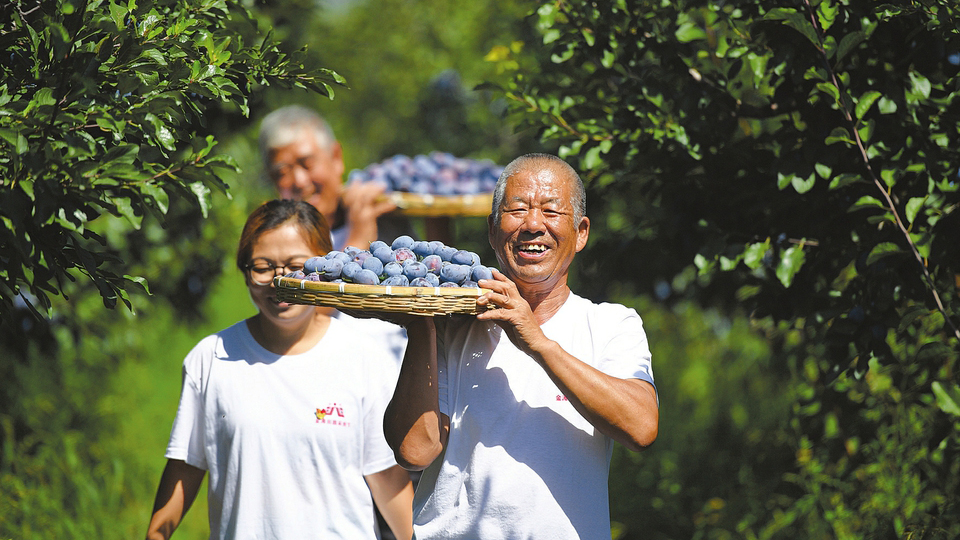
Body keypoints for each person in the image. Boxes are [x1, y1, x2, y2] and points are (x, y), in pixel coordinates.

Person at [382, 153, 659, 539]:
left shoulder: (612, 323)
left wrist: (538, 343)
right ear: (493, 231)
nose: (533, 224)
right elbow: (415, 451)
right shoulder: (452, 328)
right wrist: (421, 326)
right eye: (517, 210)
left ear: (581, 233)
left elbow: (642, 427)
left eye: (550, 211)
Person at [145, 200, 414, 540]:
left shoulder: (364, 357)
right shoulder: (211, 358)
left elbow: (388, 481)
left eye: (296, 266)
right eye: (262, 266)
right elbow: (186, 465)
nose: (279, 280)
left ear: (327, 267)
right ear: (245, 270)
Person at [258, 104, 411, 251]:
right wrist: (358, 241)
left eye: (307, 163)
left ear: (336, 157)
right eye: (283, 173)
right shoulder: (275, 241)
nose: (299, 181)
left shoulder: (388, 222)